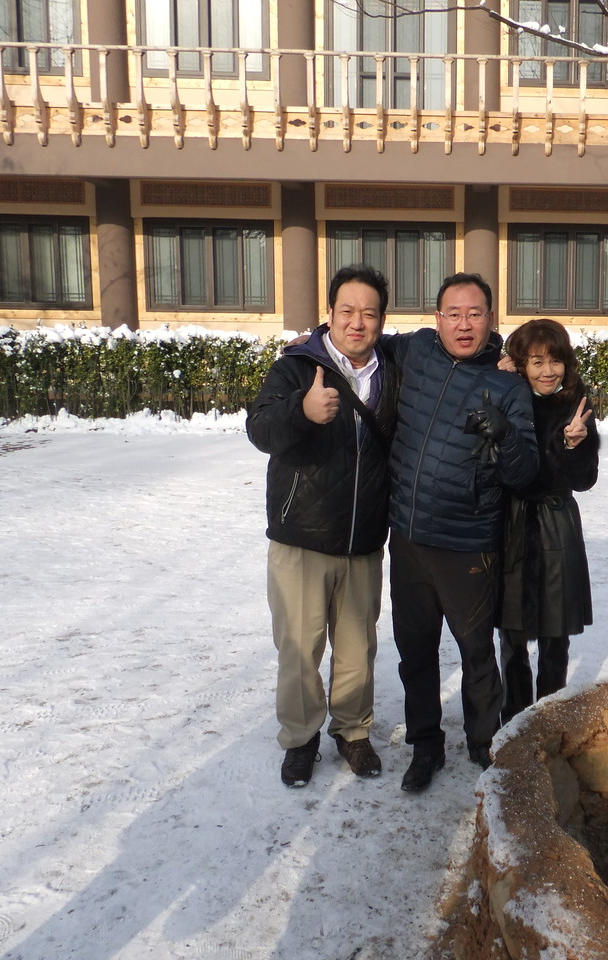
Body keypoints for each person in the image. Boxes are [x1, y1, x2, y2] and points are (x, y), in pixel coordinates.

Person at [385, 273, 538, 792]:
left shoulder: (508, 385)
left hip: (468, 543)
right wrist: (316, 339)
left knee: (476, 652)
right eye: (453, 314)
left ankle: (483, 742)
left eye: (475, 314)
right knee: (416, 654)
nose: (464, 324)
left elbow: (525, 473)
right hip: (408, 538)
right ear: (437, 319)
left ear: (491, 319)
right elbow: (360, 341)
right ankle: (425, 746)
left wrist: (505, 433)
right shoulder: (416, 351)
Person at [246, 265, 399, 788]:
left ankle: (353, 732)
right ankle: (300, 738)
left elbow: (451, 340)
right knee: (299, 649)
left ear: (382, 320)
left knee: (358, 649)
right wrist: (302, 411)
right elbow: (260, 429)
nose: (358, 322)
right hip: (302, 538)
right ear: (329, 313)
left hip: (363, 541)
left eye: (369, 313)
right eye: (347, 310)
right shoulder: (295, 367)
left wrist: (502, 355)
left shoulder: (392, 368)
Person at [496, 319, 599, 723]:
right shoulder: (508, 397)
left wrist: (575, 445)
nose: (547, 371)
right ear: (521, 364)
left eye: (555, 361)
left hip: (557, 523)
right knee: (512, 633)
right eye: (536, 361)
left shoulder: (575, 405)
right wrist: (497, 381)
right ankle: (514, 720)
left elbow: (585, 480)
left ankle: (549, 719)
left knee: (556, 634)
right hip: (513, 523)